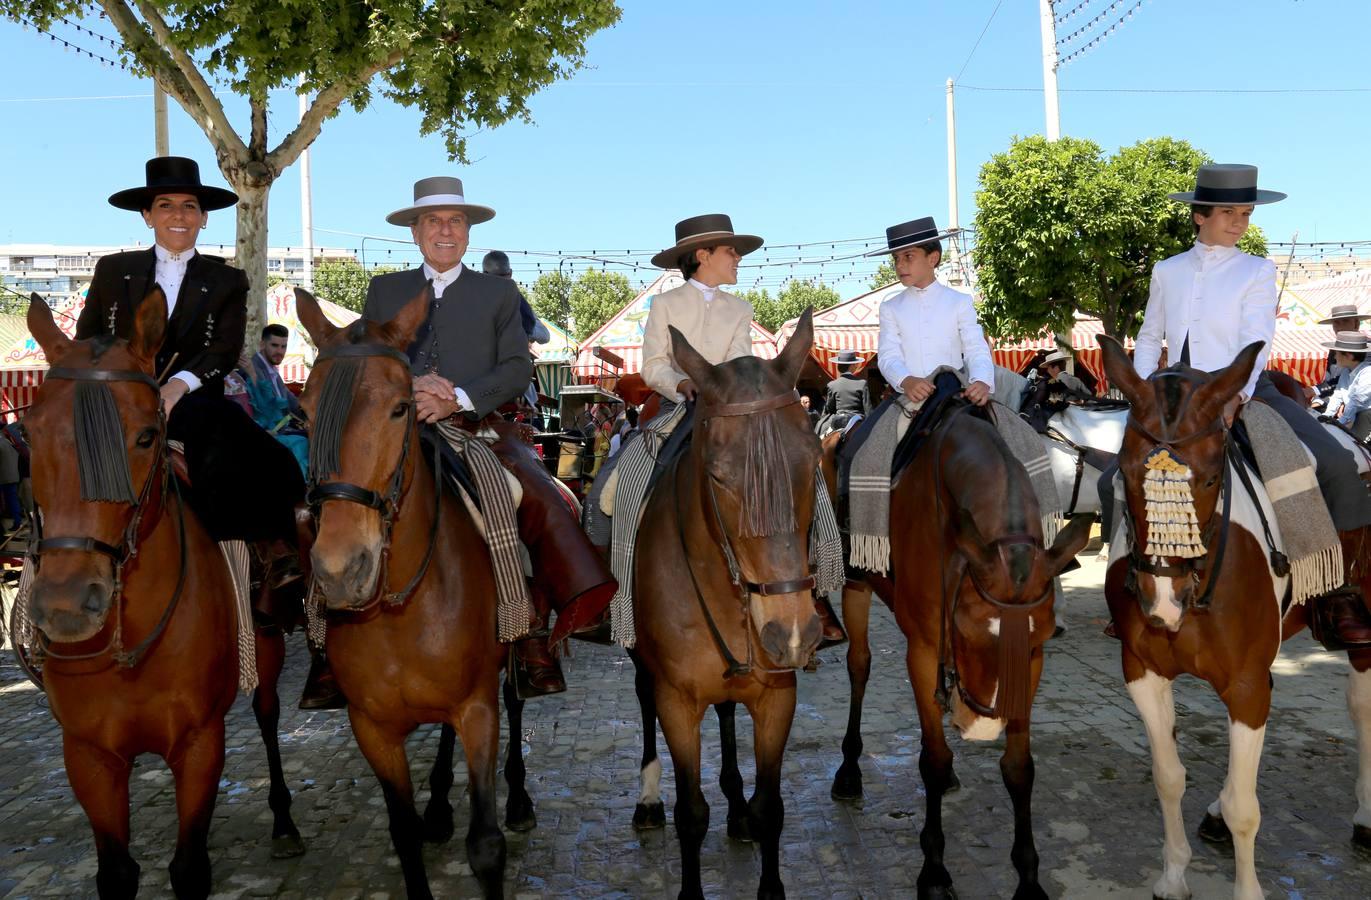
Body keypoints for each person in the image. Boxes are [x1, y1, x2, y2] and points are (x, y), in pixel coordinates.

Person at [76, 157, 331, 705]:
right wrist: (127, 389)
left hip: (195, 399)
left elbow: (226, 348)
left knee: (275, 462)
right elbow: (88, 339)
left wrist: (177, 386)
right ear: (147, 215)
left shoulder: (227, 279)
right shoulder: (111, 270)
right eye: (165, 205)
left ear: (203, 219)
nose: (178, 215)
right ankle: (55, 567)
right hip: (122, 405)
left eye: (189, 206)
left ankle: (275, 556)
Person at [364, 176, 615, 696]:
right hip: (395, 428)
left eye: (455, 221)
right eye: (432, 221)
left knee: (541, 496)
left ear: (469, 232)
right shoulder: (383, 290)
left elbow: (518, 368)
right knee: (334, 496)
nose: (445, 230)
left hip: (478, 428)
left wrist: (455, 397)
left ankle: (533, 629)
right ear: (414, 232)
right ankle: (327, 634)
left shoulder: (499, 292)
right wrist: (412, 387)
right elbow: (368, 363)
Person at [1132, 162, 1371, 644]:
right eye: (1229, 212)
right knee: (1120, 476)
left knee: (1334, 461)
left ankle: (1339, 590)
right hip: (1174, 400)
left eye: (1245, 213)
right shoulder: (1167, 270)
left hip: (1245, 391)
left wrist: (1236, 395)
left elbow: (1257, 338)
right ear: (1200, 216)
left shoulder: (1257, 269)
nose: (1240, 221)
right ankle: (1128, 586)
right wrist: (1141, 394)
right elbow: (1148, 334)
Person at [601, 213, 845, 645]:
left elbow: (741, 362)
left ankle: (818, 593)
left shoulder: (741, 308)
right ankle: (619, 597)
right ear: (703, 255)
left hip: (735, 412)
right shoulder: (665, 306)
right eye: (731, 251)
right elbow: (653, 365)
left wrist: (734, 390)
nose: (738, 259)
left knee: (807, 484)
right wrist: (681, 382)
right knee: (612, 490)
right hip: (681, 408)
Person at [871, 217, 993, 410]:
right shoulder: (890, 307)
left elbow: (975, 347)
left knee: (1007, 431)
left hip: (955, 392)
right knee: (874, 437)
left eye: (908, 256)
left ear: (933, 258)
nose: (899, 265)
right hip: (908, 395)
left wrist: (982, 381)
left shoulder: (960, 302)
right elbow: (888, 355)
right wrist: (906, 380)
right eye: (896, 258)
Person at [1313, 304, 1370, 411]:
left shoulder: (1367, 348)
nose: (1340, 327)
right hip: (1335, 397)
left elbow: (1359, 380)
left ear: (1356, 324)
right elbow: (1330, 378)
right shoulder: (1334, 348)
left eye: (1345, 321)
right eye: (1336, 323)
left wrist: (1316, 390)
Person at [1323, 333, 1371, 437]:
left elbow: (1357, 400)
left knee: (1354, 444)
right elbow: (1338, 395)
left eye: (1337, 353)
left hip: (1365, 416)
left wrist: (1340, 423)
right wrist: (1326, 416)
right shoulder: (1346, 371)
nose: (1335, 356)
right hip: (1352, 414)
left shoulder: (1368, 372)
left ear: (1349, 355)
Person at [818, 349, 869, 435]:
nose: (856, 366)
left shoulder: (832, 384)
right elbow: (868, 409)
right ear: (851, 366)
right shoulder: (862, 383)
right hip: (857, 418)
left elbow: (830, 408)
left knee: (820, 432)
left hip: (838, 419)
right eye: (855, 364)